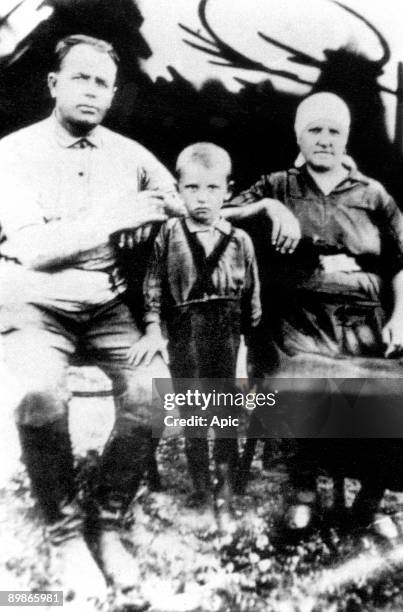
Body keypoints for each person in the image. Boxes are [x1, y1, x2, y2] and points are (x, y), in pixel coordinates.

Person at [0, 34, 182, 605]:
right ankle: (63, 531)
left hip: (106, 304)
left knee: (155, 394)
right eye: (80, 78)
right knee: (37, 393)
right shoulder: (14, 152)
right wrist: (111, 220)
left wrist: (156, 213)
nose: (92, 91)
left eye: (102, 83)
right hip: (36, 299)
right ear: (54, 84)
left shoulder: (128, 154)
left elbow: (176, 195)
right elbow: (33, 249)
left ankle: (105, 517)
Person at [227, 92, 403, 537]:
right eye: (314, 130)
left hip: (366, 321)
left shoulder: (373, 194)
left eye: (333, 131)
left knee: (389, 388)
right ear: (298, 135)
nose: (324, 140)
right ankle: (303, 489)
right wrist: (266, 207)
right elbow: (217, 213)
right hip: (298, 319)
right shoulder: (278, 185)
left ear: (346, 137)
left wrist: (401, 314)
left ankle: (371, 497)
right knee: (303, 377)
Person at [130, 142, 261, 516]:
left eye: (212, 188)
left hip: (227, 328)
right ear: (179, 189)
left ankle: (224, 482)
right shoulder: (170, 234)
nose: (202, 198)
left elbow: (252, 292)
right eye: (192, 188)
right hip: (185, 327)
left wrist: (252, 339)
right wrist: (154, 326)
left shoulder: (239, 240)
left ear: (228, 191)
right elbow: (153, 284)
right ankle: (200, 486)